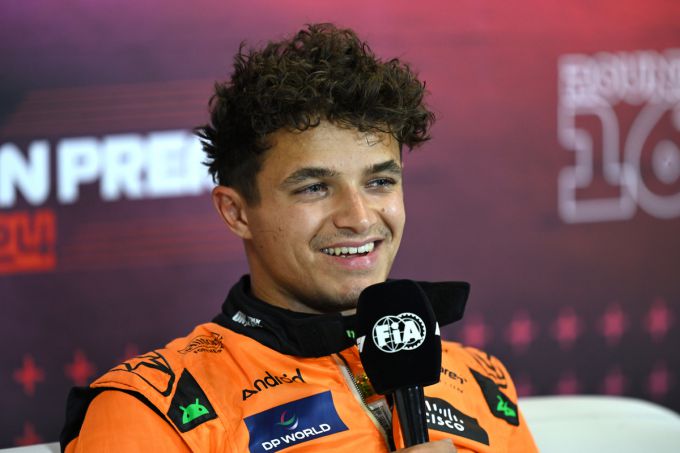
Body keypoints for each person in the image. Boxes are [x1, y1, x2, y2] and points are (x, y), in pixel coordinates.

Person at [60, 23, 538, 452]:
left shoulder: (480, 381)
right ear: (236, 212)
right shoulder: (151, 408)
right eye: (314, 188)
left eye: (379, 182)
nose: (358, 218)